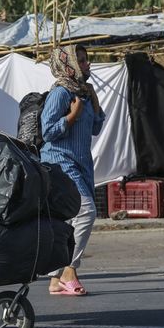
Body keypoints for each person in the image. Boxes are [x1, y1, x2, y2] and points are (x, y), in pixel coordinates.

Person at [40, 44, 105, 296]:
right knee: (87, 211)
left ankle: (55, 280)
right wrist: (72, 115)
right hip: (60, 161)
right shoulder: (61, 93)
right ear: (68, 65)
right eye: (81, 60)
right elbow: (47, 131)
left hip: (81, 163)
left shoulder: (84, 92)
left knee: (69, 219)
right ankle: (69, 268)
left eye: (86, 59)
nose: (87, 64)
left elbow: (96, 128)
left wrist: (94, 103)